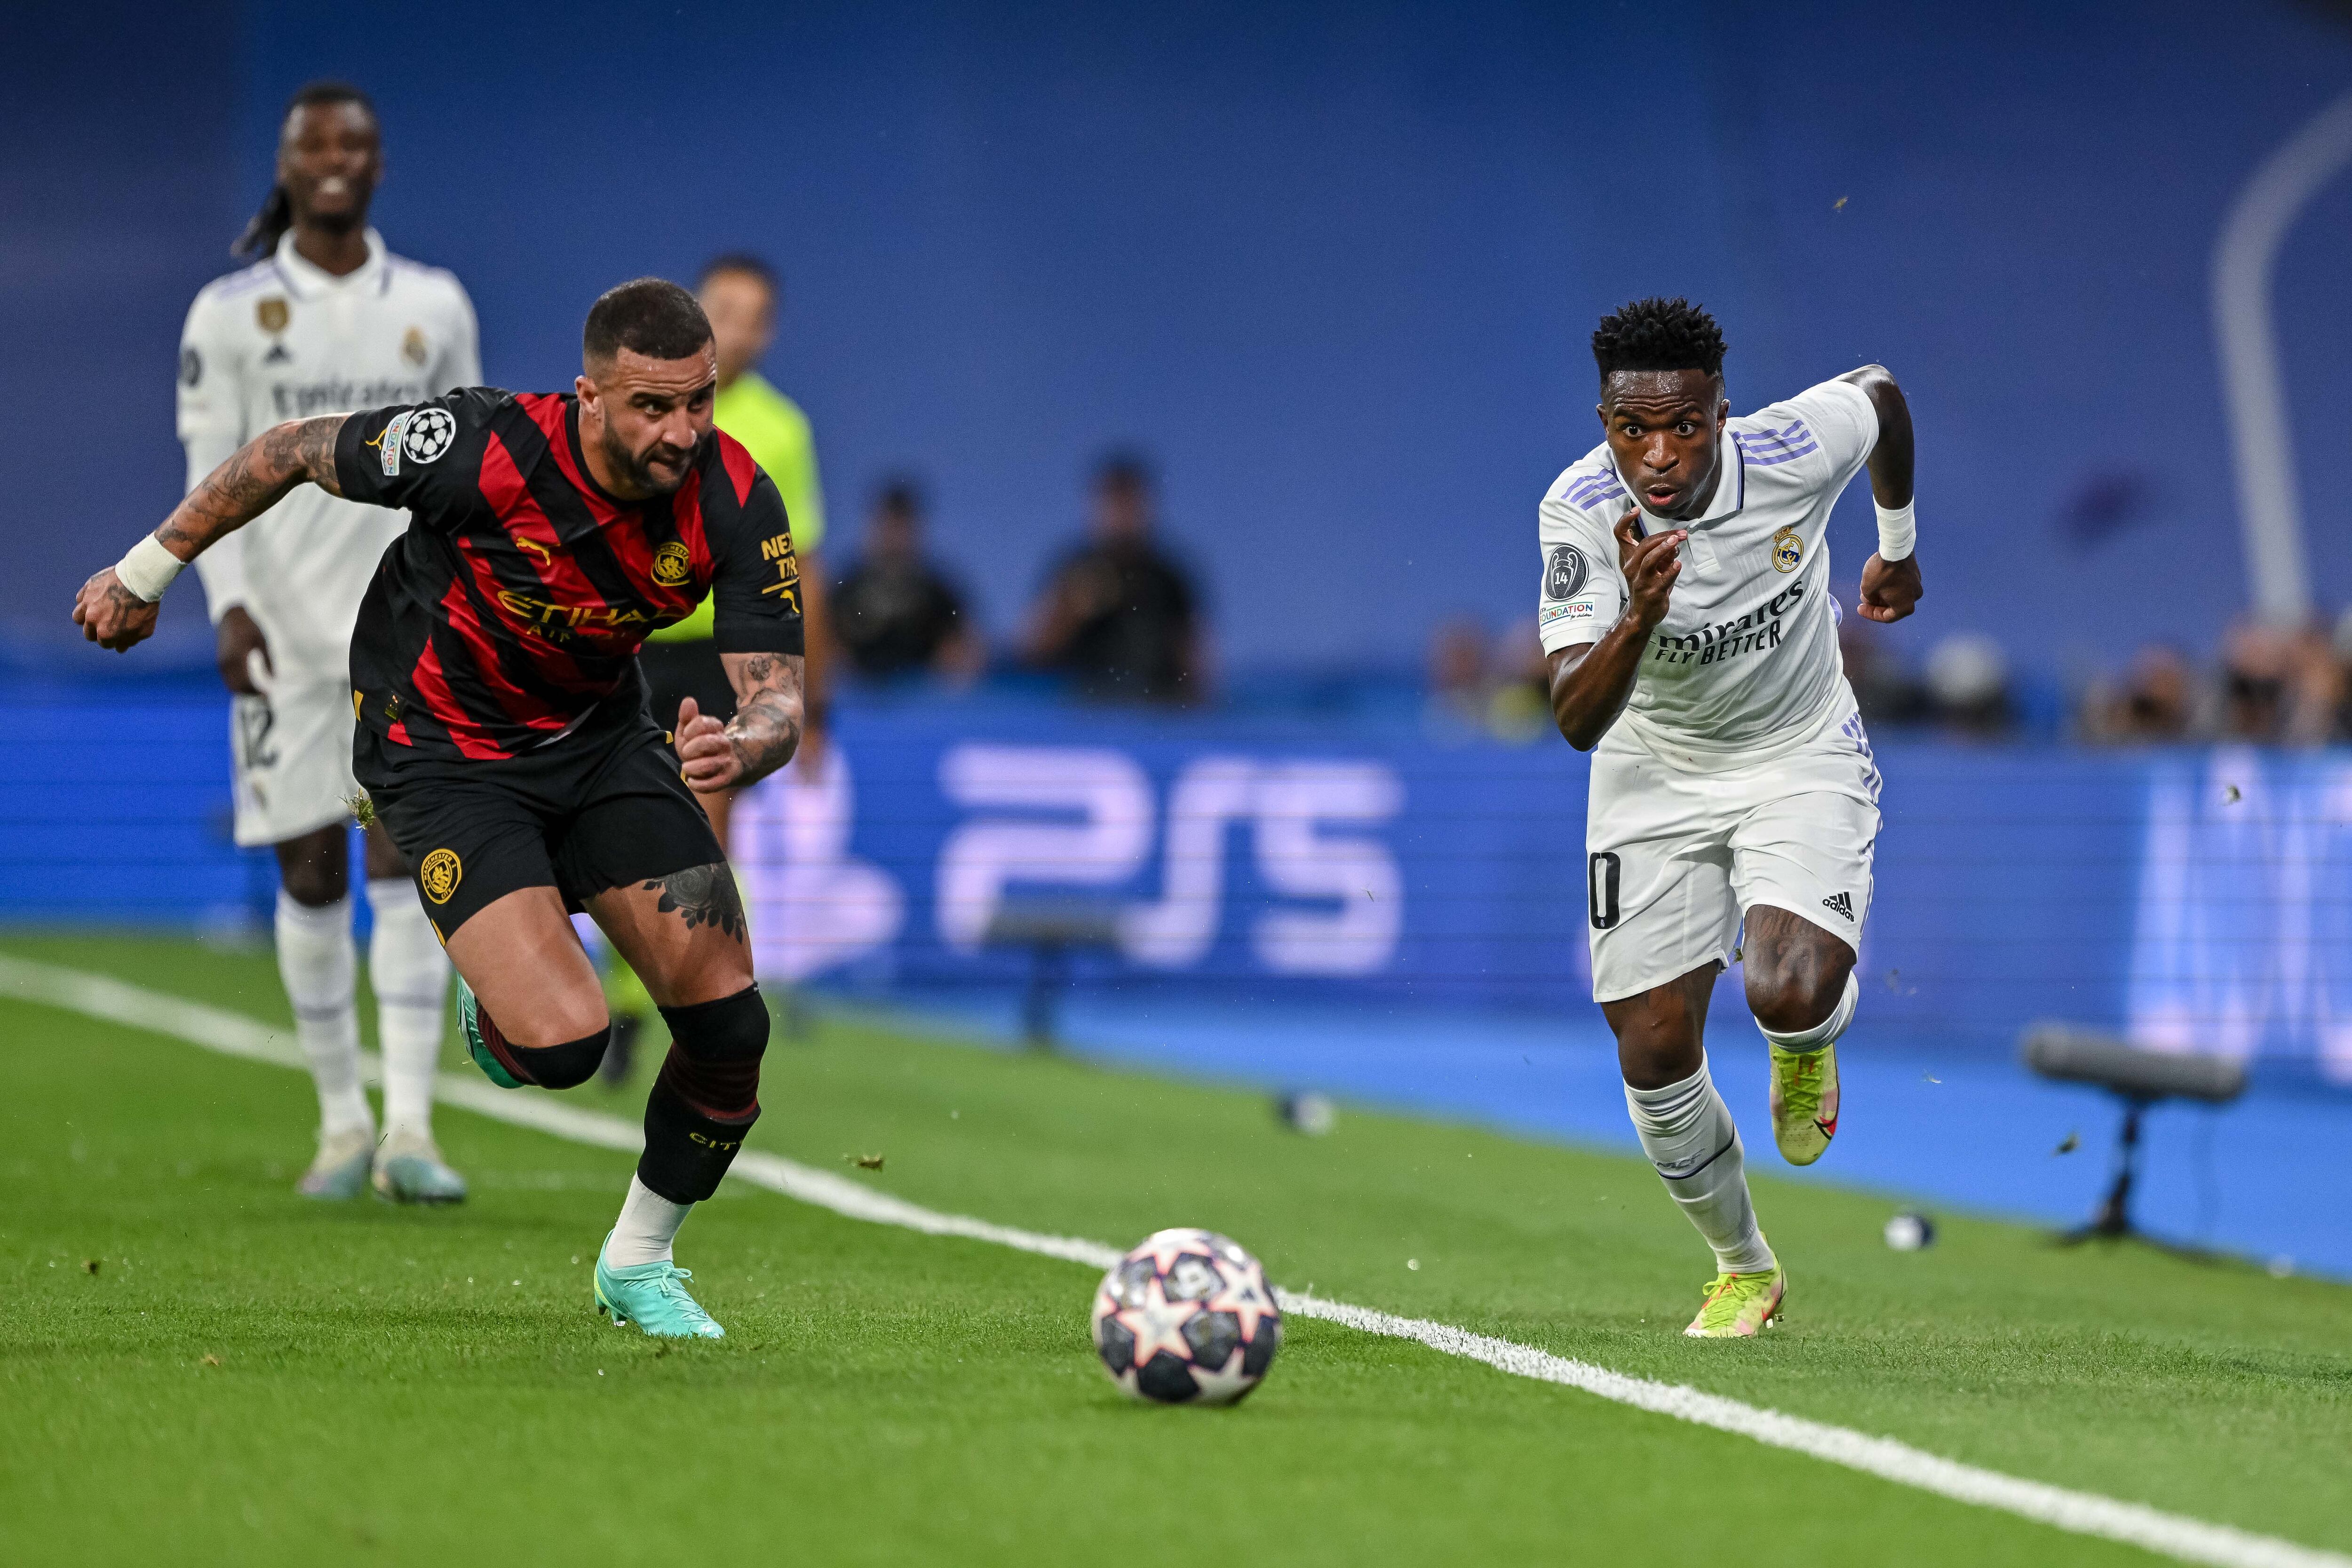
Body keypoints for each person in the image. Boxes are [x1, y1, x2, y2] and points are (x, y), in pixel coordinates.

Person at [78, 279, 806, 1340]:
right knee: (560, 1046)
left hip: (603, 744)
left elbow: (778, 696)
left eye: (697, 403)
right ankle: (506, 987)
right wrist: (146, 572)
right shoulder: (476, 445)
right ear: (589, 399)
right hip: (443, 751)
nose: (682, 432)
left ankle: (639, 1261)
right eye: (653, 406)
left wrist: (741, 743)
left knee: (732, 1024)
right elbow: (286, 449)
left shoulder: (736, 493)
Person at [1538, 297, 1921, 1336]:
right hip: (1651, 770)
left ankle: (1805, 1046)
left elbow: (1880, 396)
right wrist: (1637, 616)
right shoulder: (1577, 512)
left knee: (1788, 991)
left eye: (1684, 425)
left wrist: (1895, 544)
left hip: (1796, 747)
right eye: (1631, 430)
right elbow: (1575, 716)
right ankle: (1744, 1265)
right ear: (1605, 420)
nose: (1657, 455)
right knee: (1652, 1051)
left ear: (1721, 408)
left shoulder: (1793, 449)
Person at [176, 80, 479, 1204]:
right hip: (282, 634)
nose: (336, 160)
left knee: (406, 860)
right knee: (310, 868)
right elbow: (211, 472)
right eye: (315, 145)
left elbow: (470, 467)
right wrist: (227, 607)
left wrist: (468, 604)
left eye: (355, 142)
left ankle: (409, 1128)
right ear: (290, 165)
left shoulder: (435, 304)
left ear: (379, 163)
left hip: (406, 627)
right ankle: (339, 1125)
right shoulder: (229, 311)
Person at [602, 255, 828, 1083]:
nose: (740, 328)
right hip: (623, 643)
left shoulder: (783, 430)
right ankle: (620, 995)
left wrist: (813, 698)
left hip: (716, 655)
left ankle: (687, 1012)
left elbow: (799, 564)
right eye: (726, 308)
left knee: (700, 838)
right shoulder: (636, 401)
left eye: (757, 315)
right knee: (608, 829)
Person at [1023, 452, 1205, 704]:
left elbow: (1194, 662)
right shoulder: (1076, 569)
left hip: (1155, 706)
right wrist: (1074, 609)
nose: (1123, 517)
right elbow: (1034, 650)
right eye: (1115, 505)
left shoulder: (1168, 579)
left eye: (1130, 505)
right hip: (1087, 705)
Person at [830, 477, 980, 681]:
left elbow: (968, 652)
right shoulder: (846, 590)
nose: (895, 540)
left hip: (922, 704)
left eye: (902, 529)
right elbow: (824, 649)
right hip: (859, 703)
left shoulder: (937, 593)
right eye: (889, 527)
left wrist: (955, 662)